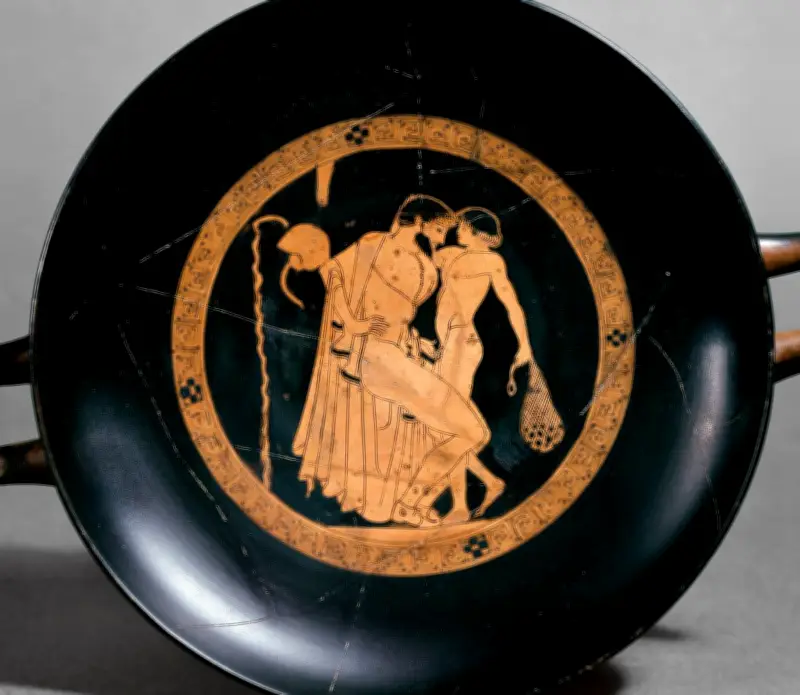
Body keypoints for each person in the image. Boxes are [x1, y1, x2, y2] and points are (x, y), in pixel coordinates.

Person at [284, 195, 492, 528]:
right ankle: (410, 504)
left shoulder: (424, 260)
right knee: (470, 430)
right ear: (420, 221)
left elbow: (401, 313)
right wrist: (352, 323)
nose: (443, 237)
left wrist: (415, 341)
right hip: (376, 356)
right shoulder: (375, 243)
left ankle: (409, 502)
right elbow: (333, 274)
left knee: (472, 431)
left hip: (397, 354)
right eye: (440, 228)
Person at [414, 207, 534, 522]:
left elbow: (512, 305)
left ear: (478, 232)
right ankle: (489, 483)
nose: (458, 231)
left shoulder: (491, 261)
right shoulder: (451, 254)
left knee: (450, 425)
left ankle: (459, 504)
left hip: (462, 342)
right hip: (446, 345)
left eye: (464, 226)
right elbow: (423, 257)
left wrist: (525, 344)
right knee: (446, 425)